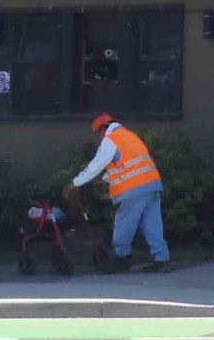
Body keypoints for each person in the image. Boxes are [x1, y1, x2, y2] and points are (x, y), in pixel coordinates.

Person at [63, 114, 170, 274]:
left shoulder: (111, 139)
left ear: (102, 129)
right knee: (152, 225)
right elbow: (127, 164)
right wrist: (106, 180)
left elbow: (96, 165)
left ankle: (122, 259)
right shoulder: (130, 136)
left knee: (123, 223)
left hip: (134, 190)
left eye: (97, 134)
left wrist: (74, 184)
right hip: (152, 185)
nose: (98, 138)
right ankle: (162, 260)